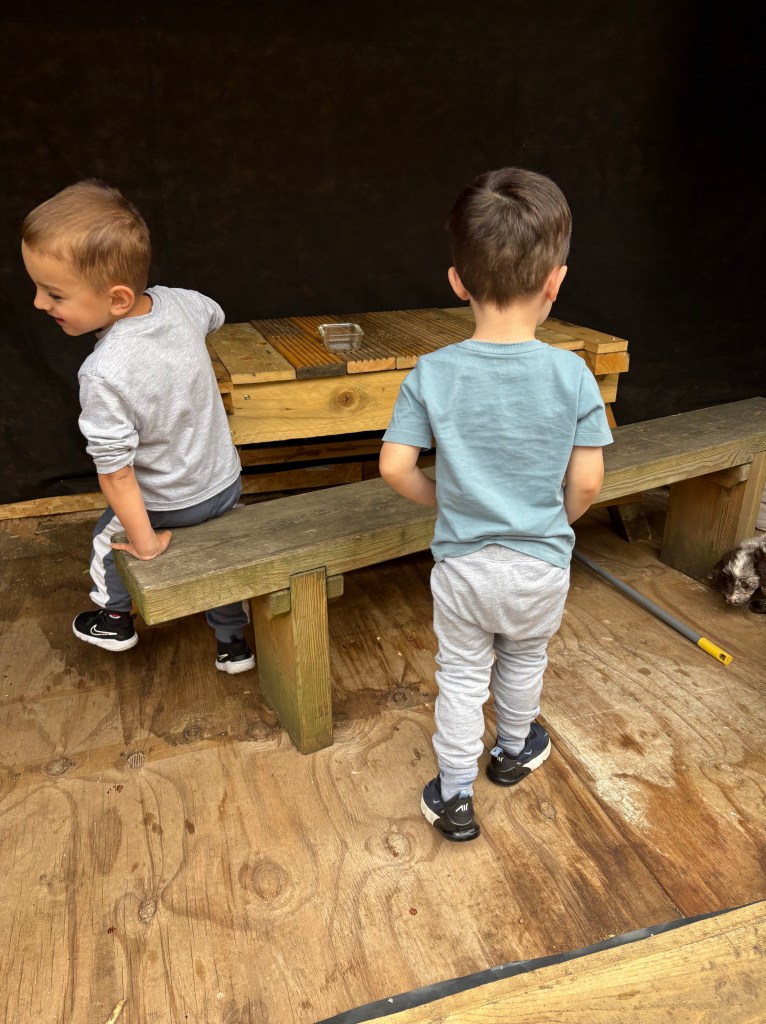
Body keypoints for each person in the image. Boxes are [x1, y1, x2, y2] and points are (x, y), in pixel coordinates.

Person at [379, 167, 612, 841]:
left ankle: (454, 794)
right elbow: (588, 483)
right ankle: (512, 750)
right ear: (555, 283)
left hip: (464, 566)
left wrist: (441, 500)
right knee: (524, 660)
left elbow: (393, 466)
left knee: (461, 676)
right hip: (541, 565)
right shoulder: (572, 373)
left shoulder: (432, 372)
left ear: (457, 281)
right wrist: (553, 521)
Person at [21, 179, 254, 673]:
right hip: (223, 484)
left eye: (54, 293)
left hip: (168, 504)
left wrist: (144, 542)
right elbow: (215, 314)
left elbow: (116, 472)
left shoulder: (103, 371)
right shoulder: (180, 303)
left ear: (118, 299)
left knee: (109, 541)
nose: (39, 303)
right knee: (219, 554)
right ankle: (233, 643)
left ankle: (114, 619)